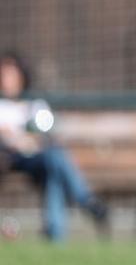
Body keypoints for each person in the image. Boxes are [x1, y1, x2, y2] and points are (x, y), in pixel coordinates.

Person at [0, 52, 108, 241]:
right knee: (55, 160)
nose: (5, 80)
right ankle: (87, 201)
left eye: (10, 74)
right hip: (9, 157)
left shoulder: (35, 105)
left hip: (36, 157)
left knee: (54, 165)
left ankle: (55, 235)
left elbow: (48, 134)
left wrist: (33, 139)